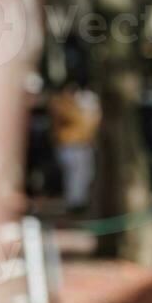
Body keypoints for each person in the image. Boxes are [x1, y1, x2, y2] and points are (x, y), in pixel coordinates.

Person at [49, 77, 100, 212]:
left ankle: (79, 202)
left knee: (85, 175)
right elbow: (74, 118)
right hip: (69, 146)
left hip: (82, 144)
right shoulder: (60, 103)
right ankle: (74, 204)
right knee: (73, 176)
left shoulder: (77, 104)